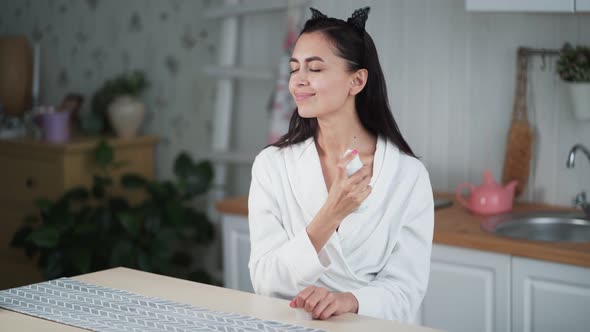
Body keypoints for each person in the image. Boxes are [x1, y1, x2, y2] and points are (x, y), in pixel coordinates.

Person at [247, 6, 434, 322]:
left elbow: (407, 290)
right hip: (296, 323)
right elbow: (265, 282)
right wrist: (331, 213)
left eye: (315, 69)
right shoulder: (272, 166)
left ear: (357, 80)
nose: (298, 82)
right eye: (294, 69)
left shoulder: (408, 176)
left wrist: (348, 301)